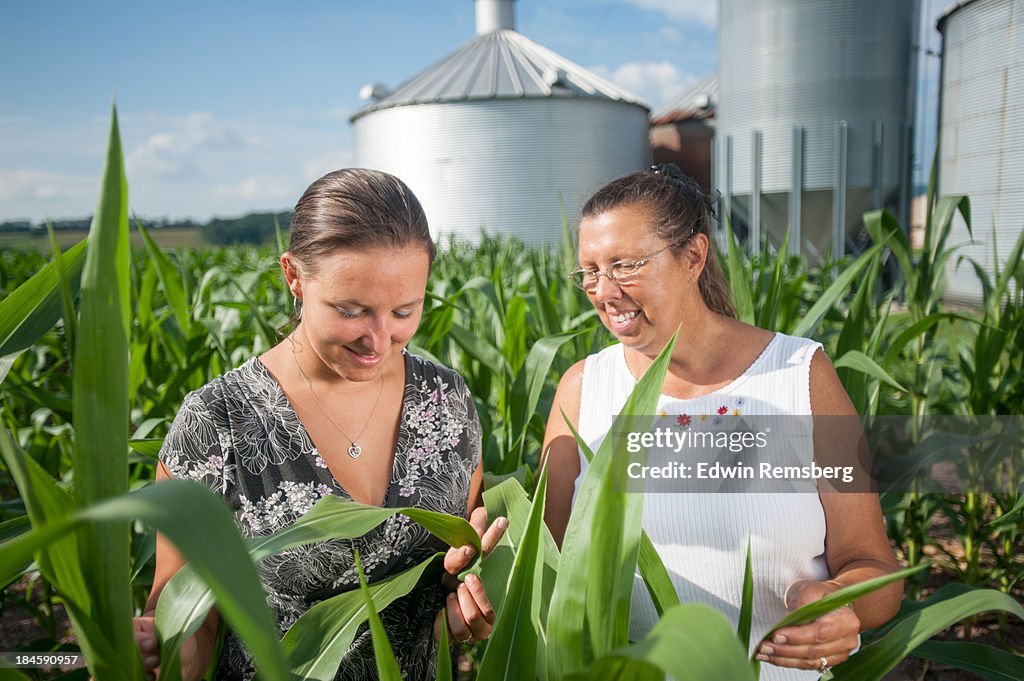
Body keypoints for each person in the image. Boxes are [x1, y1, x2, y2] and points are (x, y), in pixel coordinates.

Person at [133, 169, 506, 681]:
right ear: (293, 276)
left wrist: (468, 597)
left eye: (403, 310)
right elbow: (190, 621)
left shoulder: (446, 402)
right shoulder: (217, 424)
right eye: (351, 310)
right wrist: (161, 647)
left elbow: (457, 563)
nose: (378, 341)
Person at [541, 164, 902, 680]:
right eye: (590, 271)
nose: (604, 291)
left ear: (693, 257)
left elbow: (876, 567)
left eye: (625, 265)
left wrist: (842, 602)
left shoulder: (800, 376)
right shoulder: (582, 391)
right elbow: (546, 569)